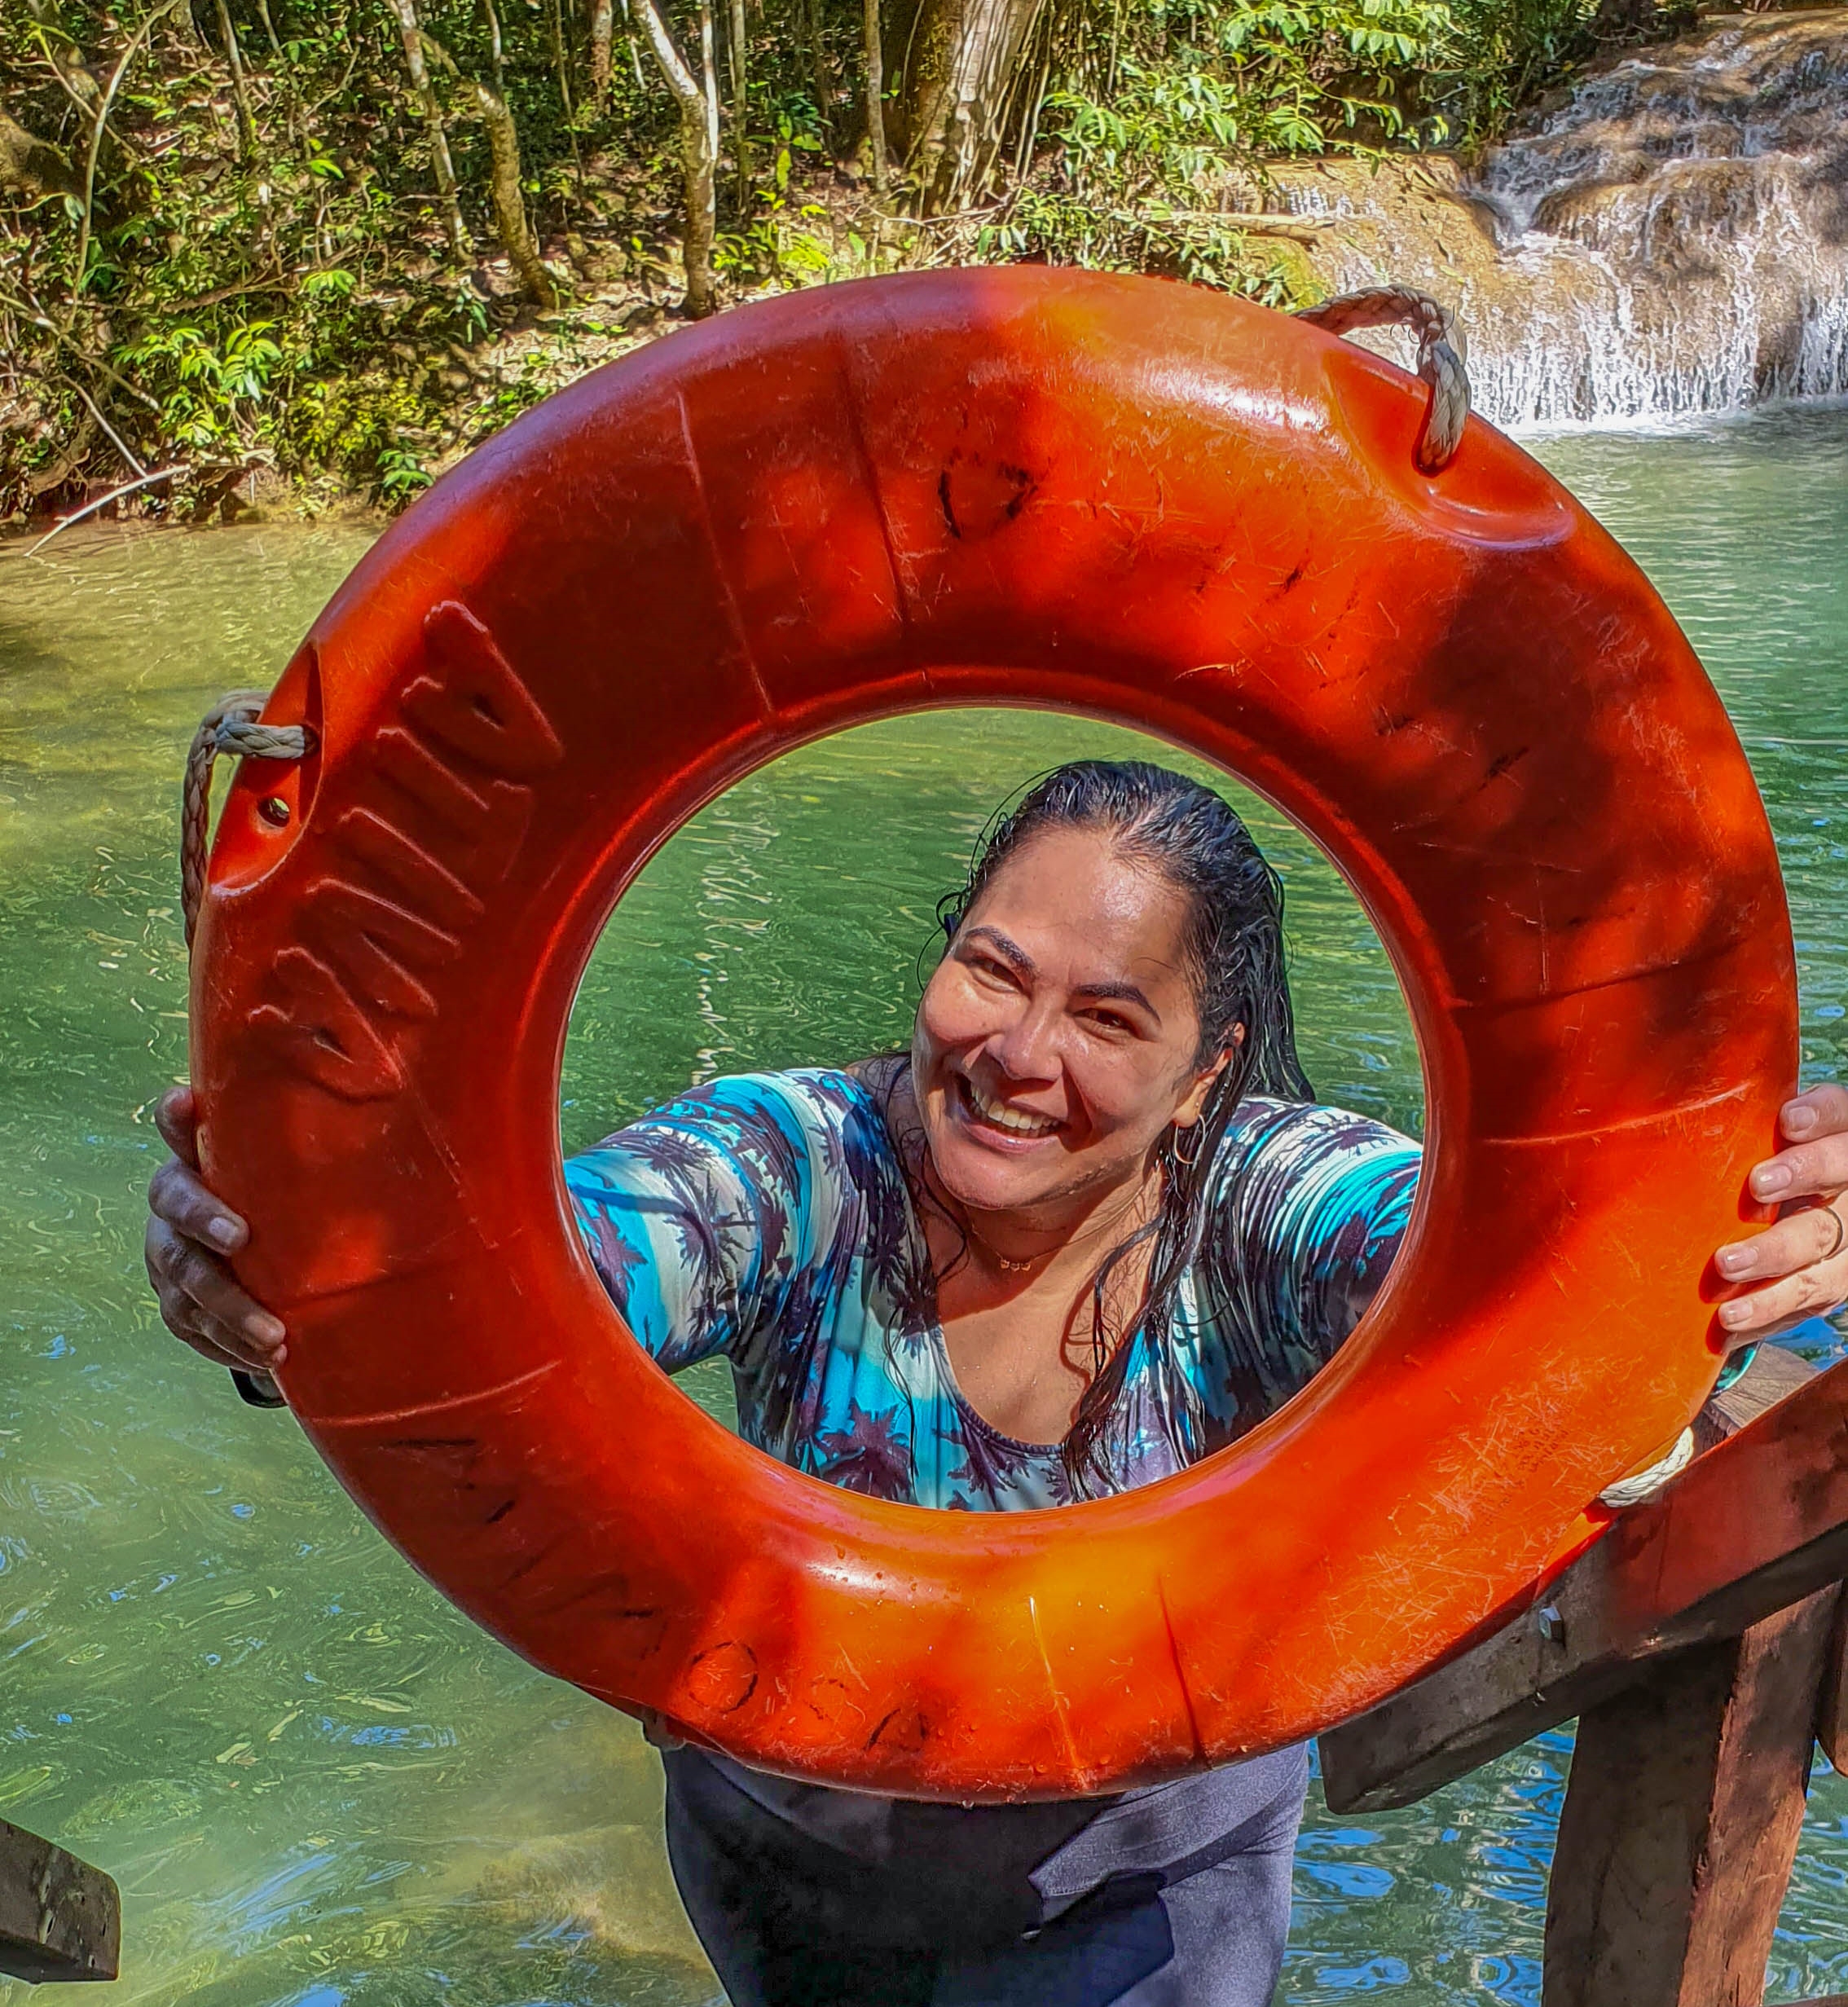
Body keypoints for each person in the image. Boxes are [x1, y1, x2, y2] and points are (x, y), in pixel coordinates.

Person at [145, 760, 1848, 2007]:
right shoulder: (800, 1159)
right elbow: (544, 1266)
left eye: (1111, 1014)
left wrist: (1721, 1235)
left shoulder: (1258, 1201)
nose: (1019, 1053)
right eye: (993, 967)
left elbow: (1506, 1261)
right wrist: (299, 1259)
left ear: (1210, 1071)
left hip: (1151, 1886)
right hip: (785, 1855)